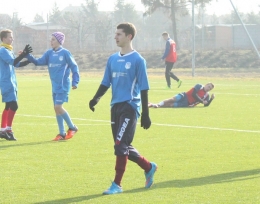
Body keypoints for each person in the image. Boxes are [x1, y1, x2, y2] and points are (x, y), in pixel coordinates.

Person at [89, 23, 157, 195]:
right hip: (115, 107)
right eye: (115, 34)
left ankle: (117, 185)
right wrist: (95, 98)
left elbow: (144, 87)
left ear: (129, 36)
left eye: (119, 34)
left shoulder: (138, 60)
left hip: (130, 106)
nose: (115, 37)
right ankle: (149, 167)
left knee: (120, 145)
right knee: (123, 145)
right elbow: (106, 82)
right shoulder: (112, 59)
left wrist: (145, 114)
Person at [26, 32, 79, 141]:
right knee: (56, 109)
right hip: (54, 86)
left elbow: (74, 66)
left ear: (59, 41)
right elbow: (38, 62)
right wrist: (27, 55)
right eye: (51, 39)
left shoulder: (65, 53)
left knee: (58, 107)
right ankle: (62, 133)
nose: (51, 41)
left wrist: (75, 81)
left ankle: (72, 127)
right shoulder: (49, 53)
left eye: (53, 39)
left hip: (63, 85)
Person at [0, 29, 32, 141]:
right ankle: (8, 130)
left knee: (8, 106)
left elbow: (16, 64)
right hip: (6, 82)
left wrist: (29, 60)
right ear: (3, 38)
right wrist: (23, 54)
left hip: (11, 82)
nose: (12, 39)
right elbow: (13, 62)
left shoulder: (8, 50)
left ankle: (3, 130)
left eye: (12, 37)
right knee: (14, 106)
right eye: (9, 37)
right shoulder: (3, 50)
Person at [148, 83, 215, 108]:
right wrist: (201, 101)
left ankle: (153, 105)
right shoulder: (199, 86)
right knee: (172, 99)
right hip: (185, 95)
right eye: (208, 86)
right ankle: (158, 104)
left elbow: (206, 105)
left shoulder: (207, 95)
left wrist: (211, 99)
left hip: (187, 103)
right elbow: (193, 94)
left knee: (170, 105)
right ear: (206, 84)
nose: (208, 88)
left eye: (210, 88)